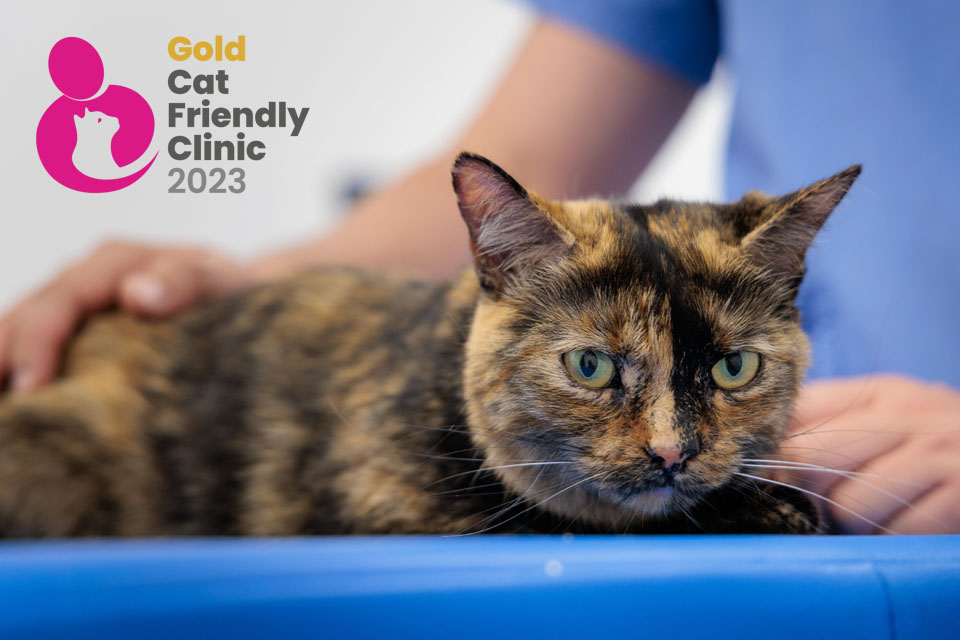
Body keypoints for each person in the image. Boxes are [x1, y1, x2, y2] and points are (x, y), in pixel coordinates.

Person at [2, 2, 958, 534]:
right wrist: (232, 284)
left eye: (737, 370)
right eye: (594, 373)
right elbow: (524, 159)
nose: (669, 443)